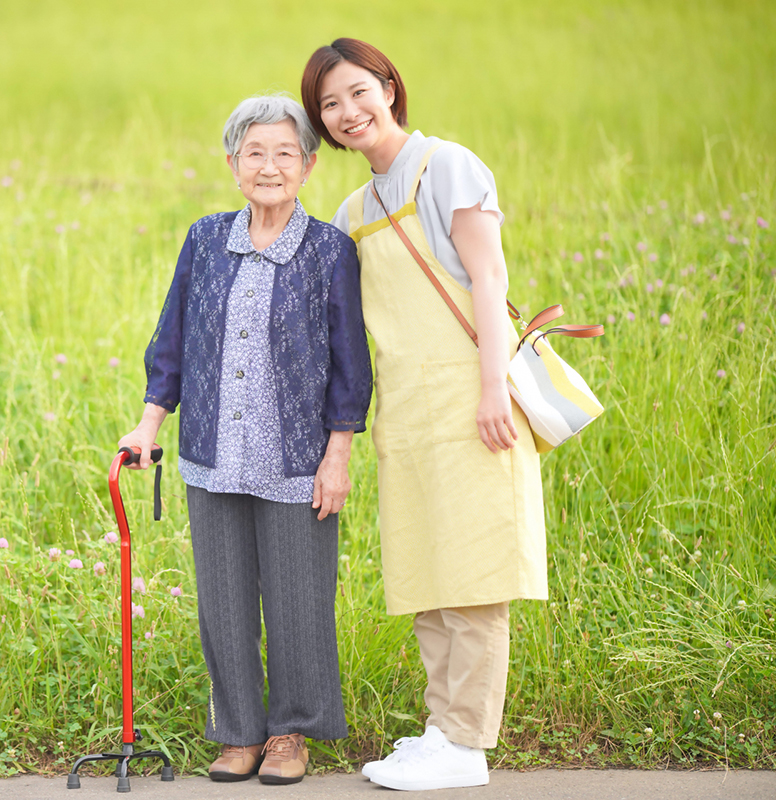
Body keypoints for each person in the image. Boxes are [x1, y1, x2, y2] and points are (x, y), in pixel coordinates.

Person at [300, 38, 548, 792]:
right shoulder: (353, 207)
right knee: (428, 572)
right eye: (329, 105)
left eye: (358, 92)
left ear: (389, 86)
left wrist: (489, 389)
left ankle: (467, 745)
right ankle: (442, 727)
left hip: (471, 396)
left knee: (473, 572)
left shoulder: (448, 166)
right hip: (405, 408)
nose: (348, 113)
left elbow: (488, 274)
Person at [118, 94, 372, 785]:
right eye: (254, 153)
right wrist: (149, 423)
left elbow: (351, 363)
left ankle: (290, 735)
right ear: (233, 165)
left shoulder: (328, 251)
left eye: (284, 153)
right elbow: (171, 340)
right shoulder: (205, 239)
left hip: (295, 461)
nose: (269, 166)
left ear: (309, 165)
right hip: (212, 456)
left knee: (297, 602)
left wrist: (338, 456)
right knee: (223, 604)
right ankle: (238, 733)